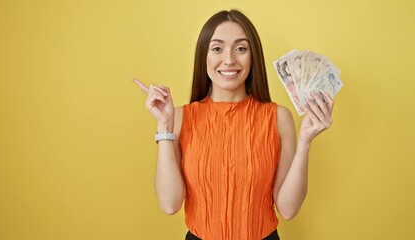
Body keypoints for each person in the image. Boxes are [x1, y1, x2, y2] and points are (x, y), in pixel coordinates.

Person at [133, 9, 334, 240]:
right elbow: (169, 204)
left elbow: (288, 209)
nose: (229, 60)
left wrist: (305, 143)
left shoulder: (278, 117)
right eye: (217, 48)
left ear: (253, 57)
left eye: (241, 49)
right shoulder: (179, 118)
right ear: (204, 57)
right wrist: (164, 127)